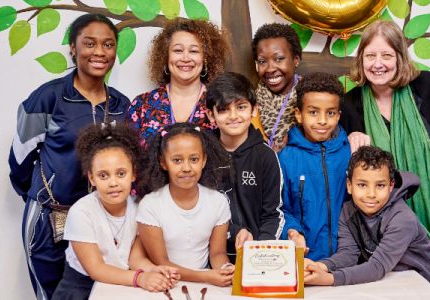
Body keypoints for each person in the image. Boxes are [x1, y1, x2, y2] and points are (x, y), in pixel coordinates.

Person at [8, 13, 130, 299]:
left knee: (97, 292)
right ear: (73, 48)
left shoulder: (122, 105)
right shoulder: (47, 98)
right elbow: (20, 160)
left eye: (108, 44)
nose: (99, 52)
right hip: (49, 219)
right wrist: (42, 195)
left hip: (98, 221)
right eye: (89, 43)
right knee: (52, 294)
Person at [338, 19, 430, 258]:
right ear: (361, 59)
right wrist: (348, 141)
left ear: (400, 57)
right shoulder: (350, 104)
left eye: (386, 55)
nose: (378, 64)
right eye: (370, 56)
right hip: (380, 231)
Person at [52, 125, 180, 299]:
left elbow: (134, 258)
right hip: (80, 287)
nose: (113, 183)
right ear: (92, 178)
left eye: (121, 173)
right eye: (103, 175)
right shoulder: (81, 212)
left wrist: (154, 270)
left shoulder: (141, 207)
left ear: (133, 174)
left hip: (122, 283)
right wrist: (140, 278)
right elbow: (96, 269)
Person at [303, 146, 430, 290]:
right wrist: (319, 266)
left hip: (418, 285)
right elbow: (348, 254)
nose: (371, 194)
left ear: (391, 186)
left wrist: (330, 278)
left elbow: (377, 267)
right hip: (385, 280)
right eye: (362, 185)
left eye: (380, 185)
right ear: (349, 185)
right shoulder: (348, 211)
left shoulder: (403, 219)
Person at [136, 123, 235, 287]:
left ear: (204, 160)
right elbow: (161, 262)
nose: (187, 168)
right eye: (177, 160)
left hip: (207, 283)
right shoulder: (150, 205)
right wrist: (206, 277)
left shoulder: (218, 201)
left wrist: (226, 269)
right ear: (163, 163)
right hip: (165, 283)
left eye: (194, 159)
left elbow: (217, 254)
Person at [204, 72, 284, 262]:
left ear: (254, 110)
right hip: (209, 260)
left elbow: (274, 214)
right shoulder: (203, 155)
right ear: (211, 115)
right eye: (223, 109)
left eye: (241, 107)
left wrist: (260, 249)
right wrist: (234, 231)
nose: (233, 116)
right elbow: (198, 209)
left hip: (255, 258)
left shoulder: (266, 156)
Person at [278, 72, 350, 261]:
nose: (322, 121)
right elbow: (279, 208)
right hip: (304, 259)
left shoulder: (349, 153)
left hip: (347, 260)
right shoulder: (285, 158)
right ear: (298, 115)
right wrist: (292, 232)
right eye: (313, 112)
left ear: (339, 115)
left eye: (331, 113)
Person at [128, 18, 230, 146]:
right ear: (165, 57)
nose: (185, 58)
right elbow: (128, 156)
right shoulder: (142, 105)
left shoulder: (220, 104)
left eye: (193, 51)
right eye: (178, 50)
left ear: (205, 58)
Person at [252, 23, 302, 151]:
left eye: (279, 59)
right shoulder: (250, 103)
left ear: (296, 60)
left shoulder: (309, 98)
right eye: (262, 61)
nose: (270, 69)